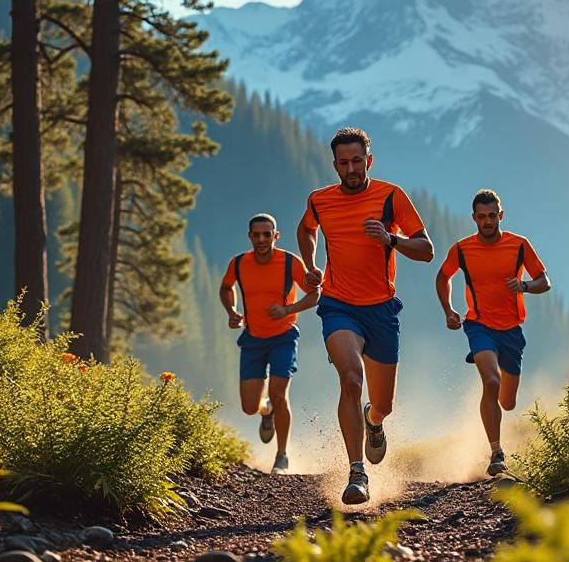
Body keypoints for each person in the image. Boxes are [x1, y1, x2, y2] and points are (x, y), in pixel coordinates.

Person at [297, 127, 433, 505]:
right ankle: (357, 473)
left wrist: (391, 239)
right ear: (335, 165)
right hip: (338, 306)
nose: (352, 169)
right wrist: (310, 265)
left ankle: (374, 421)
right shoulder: (320, 200)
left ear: (369, 160)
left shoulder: (391, 196)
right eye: (344, 163)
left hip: (381, 310)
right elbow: (306, 229)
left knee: (383, 404)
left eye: (358, 161)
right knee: (351, 378)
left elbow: (426, 250)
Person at [435, 189, 550, 477]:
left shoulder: (519, 245)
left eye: (492, 216)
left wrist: (524, 286)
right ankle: (496, 452)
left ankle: (498, 417)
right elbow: (443, 276)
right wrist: (449, 310)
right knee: (491, 380)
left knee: (507, 402)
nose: (487, 221)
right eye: (481, 217)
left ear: (501, 215)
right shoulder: (463, 249)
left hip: (511, 330)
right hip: (479, 325)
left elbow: (544, 281)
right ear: (474, 218)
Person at [220, 213, 320, 474]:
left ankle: (282, 456)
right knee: (249, 407)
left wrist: (288, 310)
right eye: (257, 235)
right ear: (250, 236)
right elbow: (226, 287)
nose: (262, 239)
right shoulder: (239, 263)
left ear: (276, 236)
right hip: (252, 339)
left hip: (283, 337)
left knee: (279, 393)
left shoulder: (289, 262)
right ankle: (267, 412)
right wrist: (232, 312)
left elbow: (315, 294)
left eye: (267, 234)